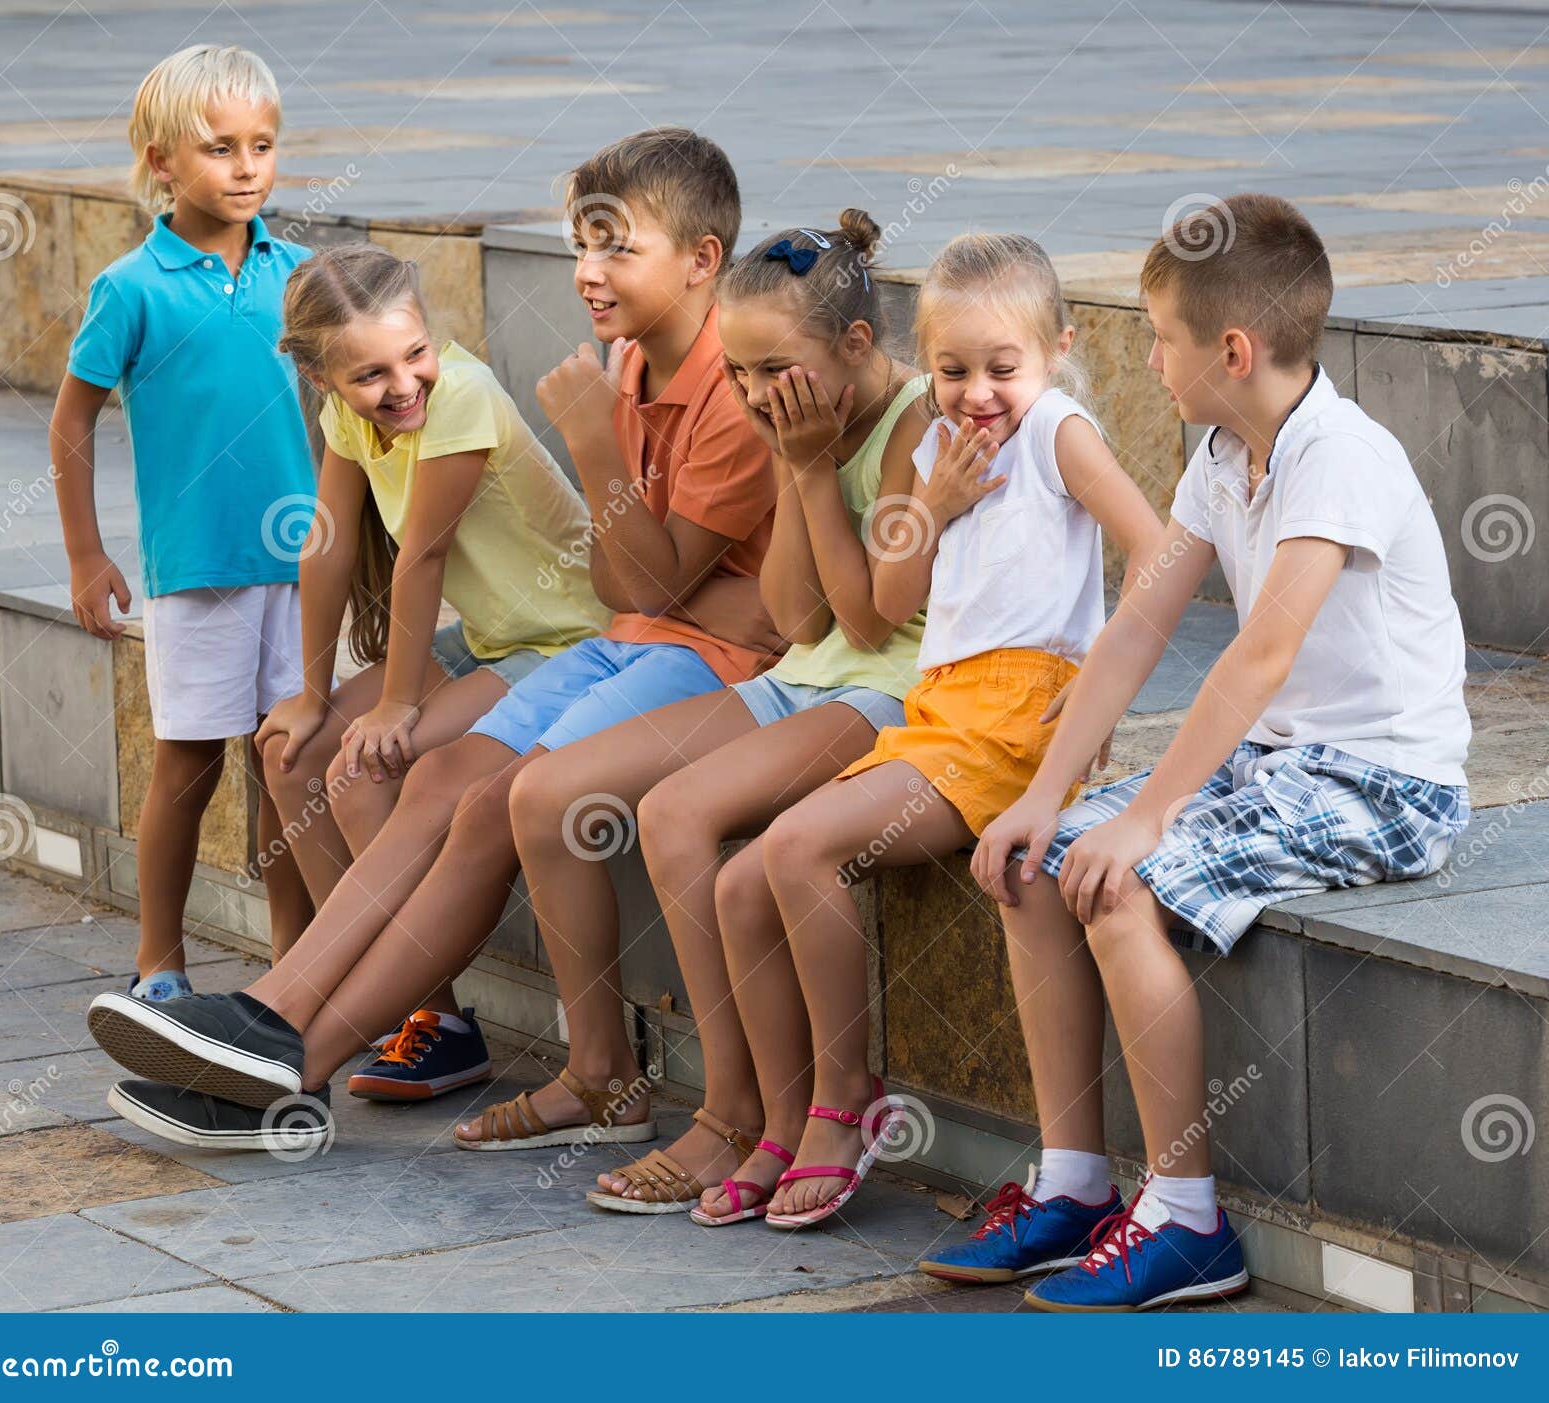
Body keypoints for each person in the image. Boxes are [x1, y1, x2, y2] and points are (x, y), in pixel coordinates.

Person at [84, 125, 780, 1149]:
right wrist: (313, 691)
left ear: (701, 259)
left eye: (614, 248)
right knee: (378, 766)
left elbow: (642, 582)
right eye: (581, 246)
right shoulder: (629, 357)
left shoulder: (724, 378)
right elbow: (624, 580)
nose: (586, 272)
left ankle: (290, 1051)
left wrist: (593, 444)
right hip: (622, 635)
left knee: (466, 789)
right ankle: (289, 1021)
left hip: (645, 649)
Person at [937, 194, 1470, 1311]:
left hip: (1385, 782)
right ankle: (1075, 1185)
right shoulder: (1225, 452)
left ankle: (1185, 1219)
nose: (1148, 359)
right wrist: (1045, 793)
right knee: (1033, 864)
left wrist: (1146, 818)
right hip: (1276, 763)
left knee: (1119, 882)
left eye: (1159, 338)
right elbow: (1140, 624)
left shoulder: (1338, 456)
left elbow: (1260, 654)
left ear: (1231, 351)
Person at [497, 213, 932, 1217]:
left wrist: (811, 468)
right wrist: (794, 461)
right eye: (735, 372)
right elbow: (798, 619)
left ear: (855, 344)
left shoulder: (915, 423)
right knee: (582, 795)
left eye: (772, 369)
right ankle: (719, 1101)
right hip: (809, 670)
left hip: (892, 688)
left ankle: (741, 1112)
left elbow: (872, 624)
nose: (753, 393)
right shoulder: (794, 425)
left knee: (684, 812)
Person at [735, 233, 1162, 1230]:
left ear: (1056, 348)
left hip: (1014, 715)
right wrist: (931, 503)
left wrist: (1099, 690)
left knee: (794, 847)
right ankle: (777, 1117)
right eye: (952, 369)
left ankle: (845, 1103)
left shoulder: (1056, 431)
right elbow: (885, 606)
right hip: (939, 707)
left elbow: (1156, 547)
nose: (977, 393)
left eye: (1001, 367)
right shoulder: (935, 449)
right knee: (740, 880)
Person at [254, 241, 606, 1099]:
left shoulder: (462, 397)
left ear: (428, 332)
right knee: (290, 755)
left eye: (414, 354)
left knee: (365, 766)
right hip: (490, 639)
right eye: (371, 374)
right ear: (322, 379)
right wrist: (311, 694)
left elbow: (424, 554)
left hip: (565, 639)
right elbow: (328, 545)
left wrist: (397, 704)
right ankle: (387, 998)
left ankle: (424, 1017)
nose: (403, 383)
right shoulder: (349, 417)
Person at [51, 44, 313, 994]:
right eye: (219, 148)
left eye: (261, 146)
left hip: (302, 566)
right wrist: (86, 554)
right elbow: (71, 419)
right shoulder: (131, 286)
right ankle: (158, 964)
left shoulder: (303, 274)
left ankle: (296, 965)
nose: (246, 169)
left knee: (290, 765)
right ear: (162, 161)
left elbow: (346, 414)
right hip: (196, 568)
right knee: (189, 767)